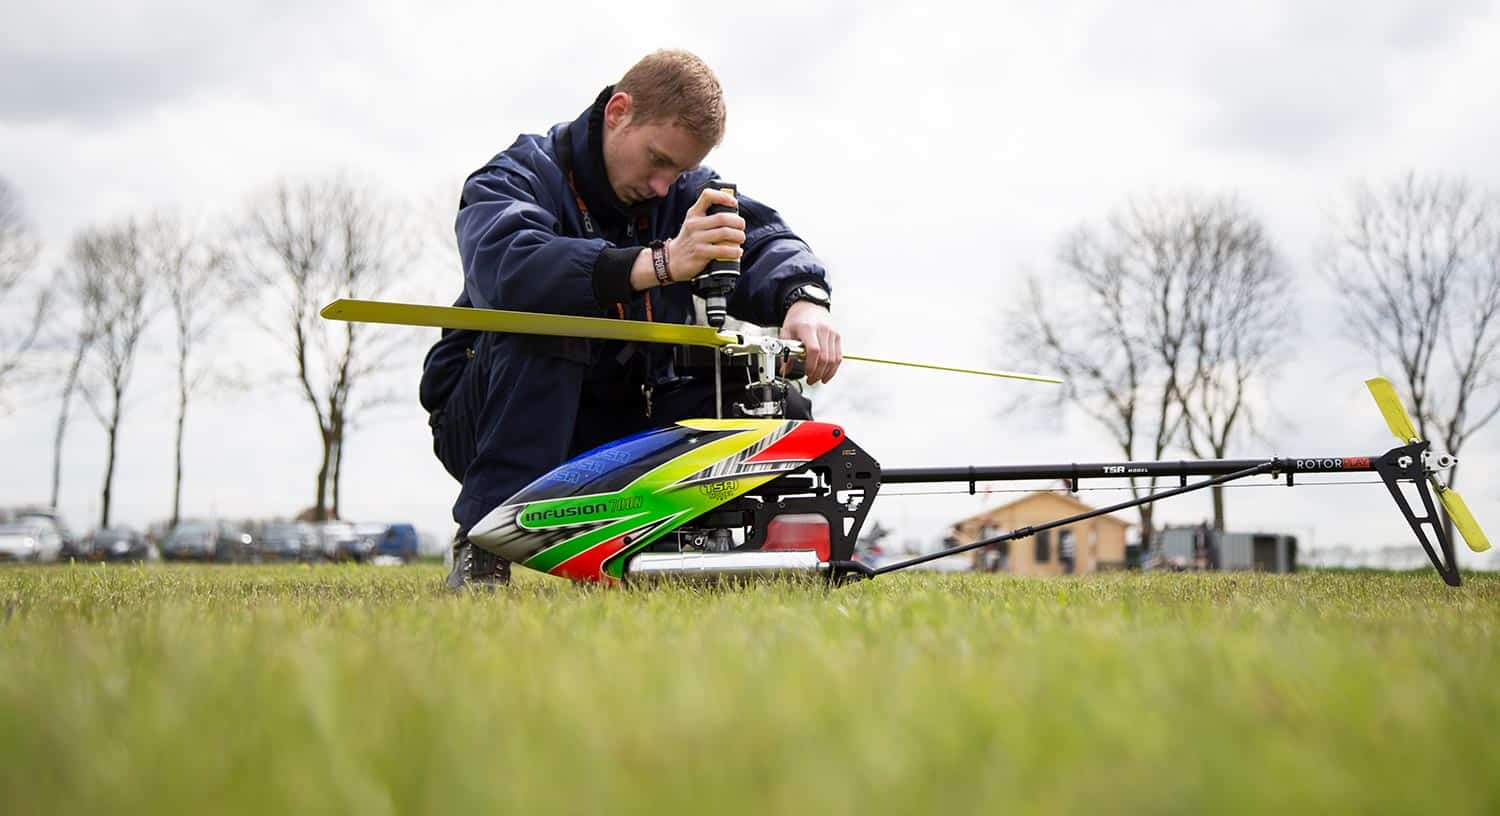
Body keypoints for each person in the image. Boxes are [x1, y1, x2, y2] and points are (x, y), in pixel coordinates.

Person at [419, 50, 842, 589]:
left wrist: (803, 298)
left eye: (680, 171)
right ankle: (484, 541)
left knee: (744, 377)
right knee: (551, 324)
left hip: (619, 414)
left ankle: (703, 535)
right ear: (619, 111)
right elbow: (509, 270)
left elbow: (761, 239)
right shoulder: (518, 175)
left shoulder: (682, 191)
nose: (665, 185)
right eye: (657, 160)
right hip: (488, 420)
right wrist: (658, 264)